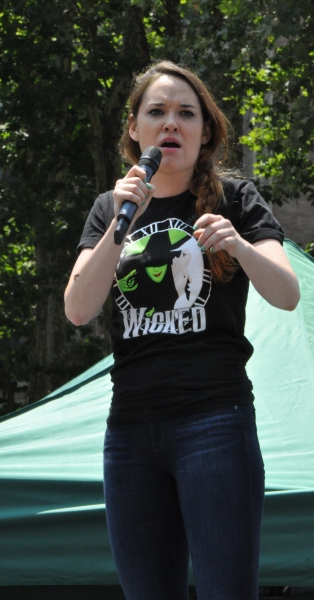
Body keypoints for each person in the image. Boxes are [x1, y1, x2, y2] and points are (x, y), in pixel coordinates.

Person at [64, 61, 300, 600]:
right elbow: (78, 309)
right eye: (157, 112)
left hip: (216, 426)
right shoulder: (110, 209)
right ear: (134, 129)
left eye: (185, 113)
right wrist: (118, 229)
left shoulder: (236, 200)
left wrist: (237, 245)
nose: (171, 123)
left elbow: (287, 294)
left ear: (205, 131)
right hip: (130, 434)